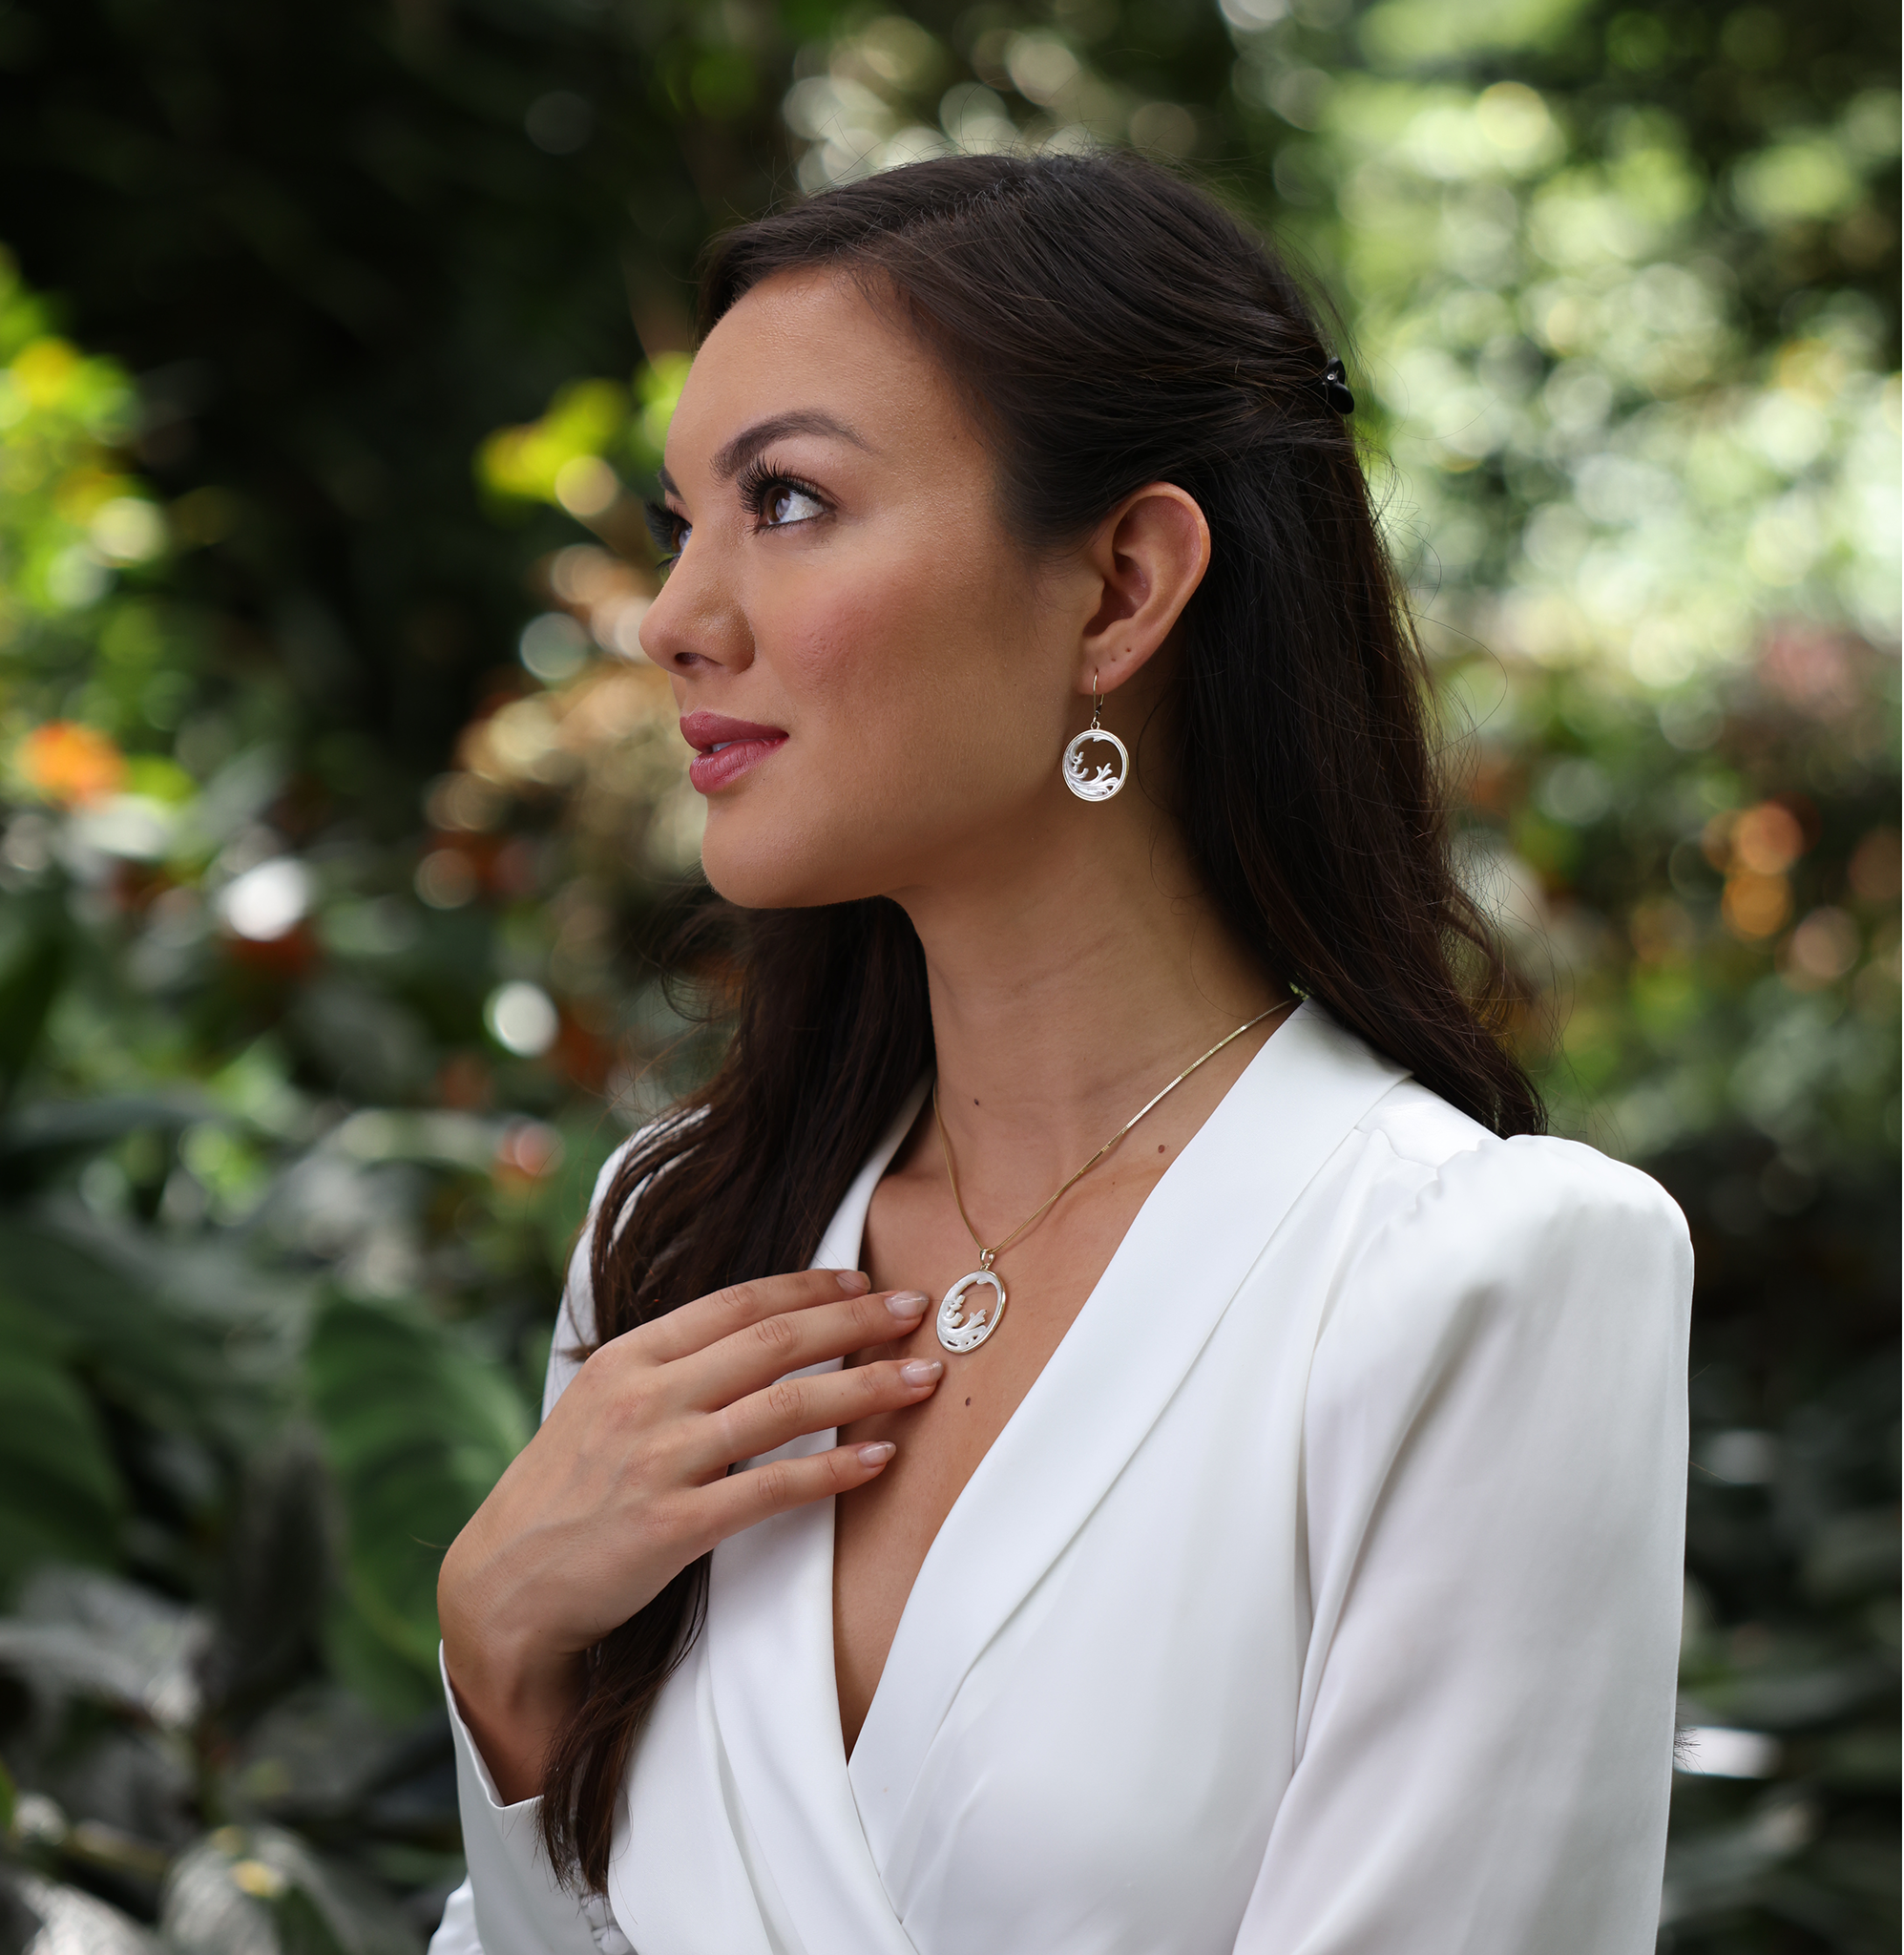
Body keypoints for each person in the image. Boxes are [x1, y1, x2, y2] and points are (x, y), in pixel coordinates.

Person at [429, 152, 1691, 1955]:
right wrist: (505, 1667)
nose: (675, 618)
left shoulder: (1471, 1277)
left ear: (1120, 588)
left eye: (787, 499)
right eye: (679, 519)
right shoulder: (684, 1233)